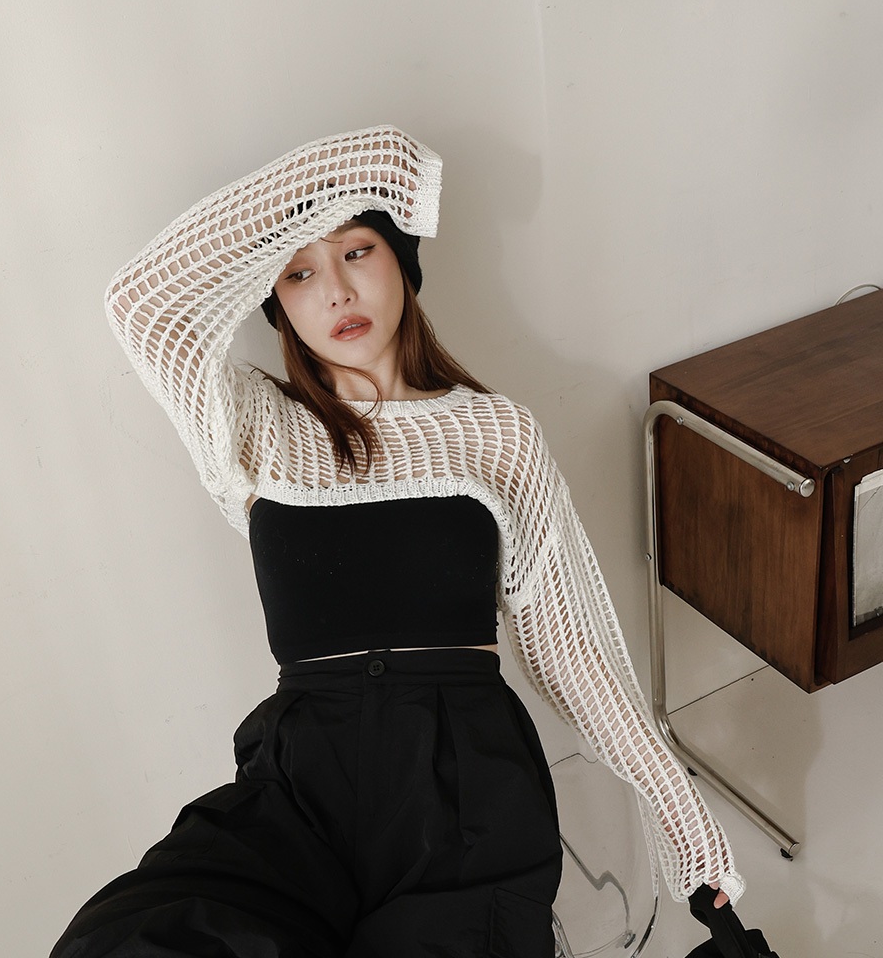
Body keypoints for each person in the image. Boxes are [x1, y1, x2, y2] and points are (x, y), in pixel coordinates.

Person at [50, 125, 743, 958]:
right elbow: (142, 304)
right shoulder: (256, 425)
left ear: (402, 264)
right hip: (300, 786)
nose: (336, 291)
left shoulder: (496, 434)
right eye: (300, 273)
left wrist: (685, 820)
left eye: (358, 251)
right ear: (275, 302)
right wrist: (357, 171)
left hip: (463, 793)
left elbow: (574, 658)